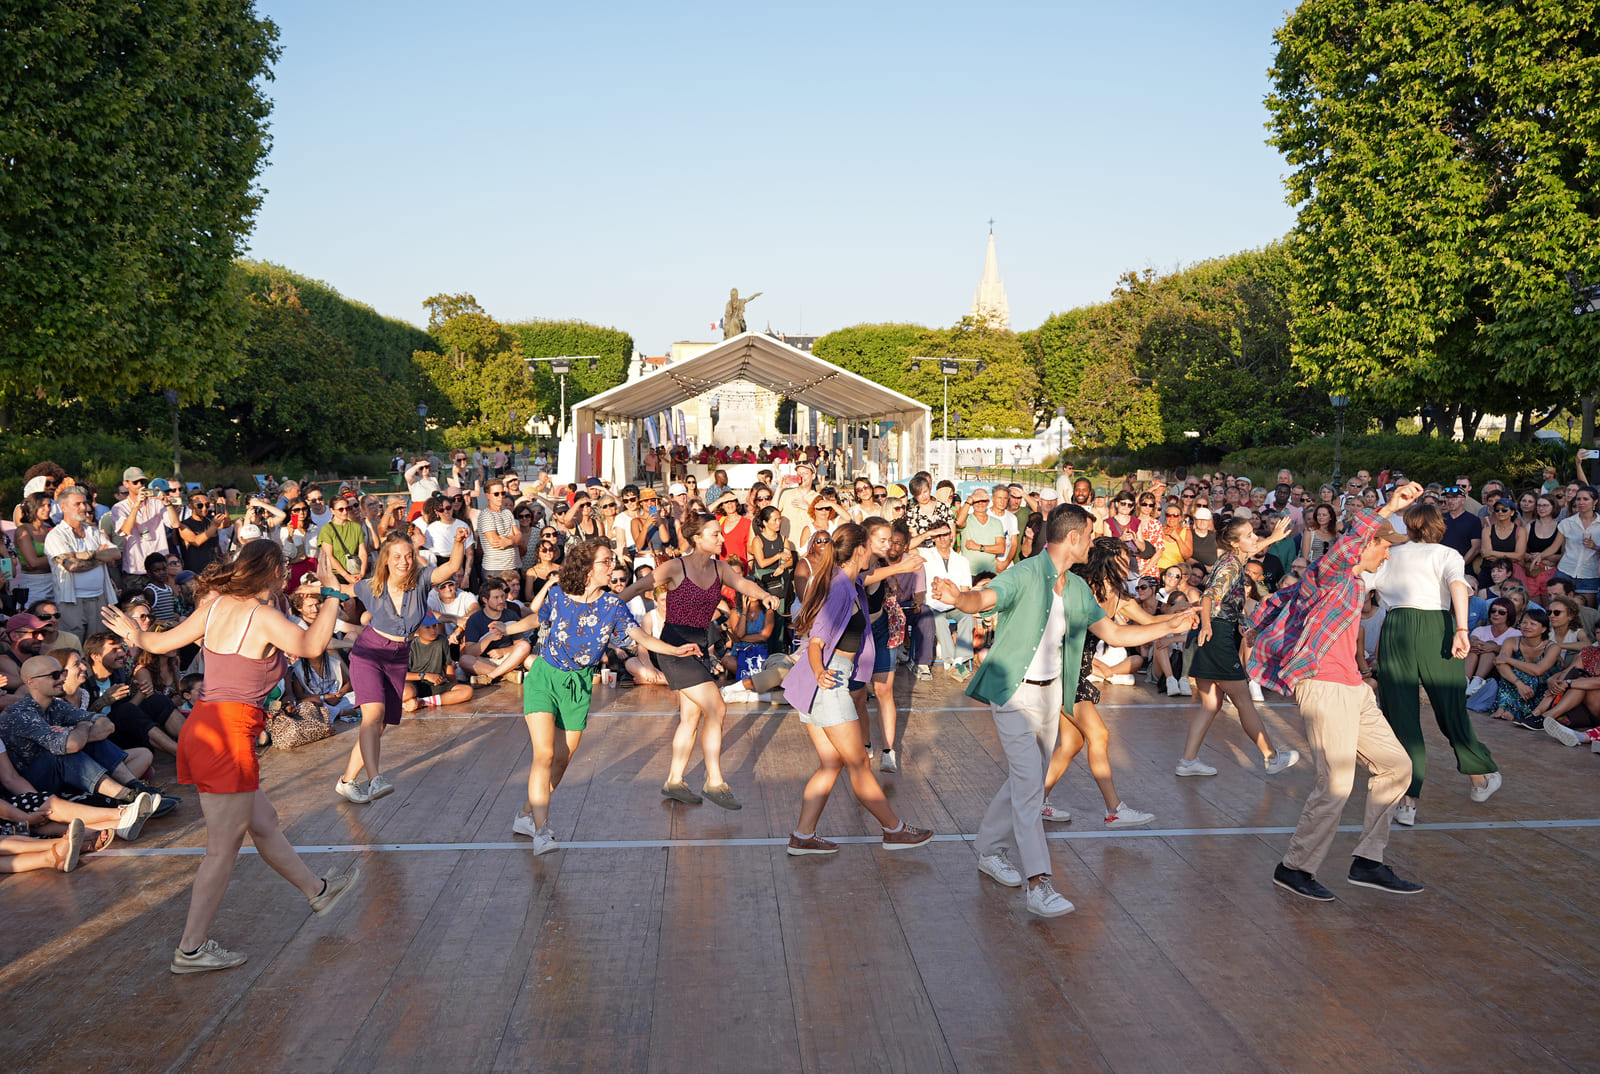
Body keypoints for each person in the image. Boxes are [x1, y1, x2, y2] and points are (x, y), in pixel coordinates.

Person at [99, 540, 360, 974]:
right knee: (221, 851)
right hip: (227, 736)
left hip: (205, 727)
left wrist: (134, 634)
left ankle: (318, 890)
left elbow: (158, 644)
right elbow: (312, 645)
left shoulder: (216, 606)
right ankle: (191, 949)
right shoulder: (261, 616)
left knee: (264, 821)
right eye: (285, 570)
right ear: (274, 572)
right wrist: (332, 594)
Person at [932, 504, 1195, 918]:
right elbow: (984, 597)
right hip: (1014, 695)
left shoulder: (1075, 588)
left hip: (1051, 696)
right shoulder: (1024, 574)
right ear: (1073, 538)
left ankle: (989, 849)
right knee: (1029, 789)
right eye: (1089, 535)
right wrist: (959, 598)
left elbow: (1114, 633)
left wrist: (1168, 626)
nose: (1093, 542)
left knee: (1025, 781)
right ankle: (1039, 883)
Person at [1247, 481, 1422, 901]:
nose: (1387, 554)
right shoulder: (1331, 575)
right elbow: (1344, 550)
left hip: (1353, 688)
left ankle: (1368, 861)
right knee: (1336, 784)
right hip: (1324, 686)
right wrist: (1389, 506)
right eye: (1384, 546)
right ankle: (1295, 867)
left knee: (1397, 766)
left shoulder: (1356, 585)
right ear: (1367, 543)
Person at [500, 539, 701, 853]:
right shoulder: (558, 594)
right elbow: (537, 620)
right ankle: (541, 831)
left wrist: (675, 650)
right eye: (605, 561)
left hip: (578, 685)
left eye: (612, 561)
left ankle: (526, 815)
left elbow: (641, 636)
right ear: (587, 567)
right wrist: (507, 630)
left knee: (561, 762)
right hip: (544, 677)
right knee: (544, 755)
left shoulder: (612, 606)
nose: (612, 566)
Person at [780, 523, 934, 855]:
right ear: (860, 550)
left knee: (831, 764)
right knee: (860, 764)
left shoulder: (846, 579)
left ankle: (803, 836)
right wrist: (821, 672)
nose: (876, 552)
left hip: (817, 686)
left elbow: (869, 577)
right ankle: (894, 830)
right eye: (871, 547)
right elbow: (817, 640)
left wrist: (902, 567)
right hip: (829, 682)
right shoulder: (839, 588)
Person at [617, 515, 781, 810]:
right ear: (697, 538)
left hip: (700, 648)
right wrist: (609, 609)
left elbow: (743, 584)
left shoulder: (720, 568)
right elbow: (636, 588)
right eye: (715, 534)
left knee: (690, 718)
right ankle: (714, 781)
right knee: (717, 708)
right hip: (674, 648)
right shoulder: (675, 567)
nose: (721, 539)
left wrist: (765, 595)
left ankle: (674, 780)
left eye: (720, 534)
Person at [1367, 502, 1502, 826]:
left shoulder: (1391, 553)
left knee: (1400, 715)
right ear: (1439, 525)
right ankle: (1479, 776)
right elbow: (1458, 585)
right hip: (1436, 627)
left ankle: (1408, 802)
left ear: (1409, 525)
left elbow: (1362, 585)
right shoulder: (1448, 554)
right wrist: (1462, 629)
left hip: (1397, 627)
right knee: (1450, 707)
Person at [1040, 538, 1165, 829]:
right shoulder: (1079, 588)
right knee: (1100, 734)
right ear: (1107, 560)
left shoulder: (1118, 597)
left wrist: (1185, 617)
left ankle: (1034, 802)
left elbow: (1148, 621)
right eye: (1123, 558)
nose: (1129, 564)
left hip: (1076, 673)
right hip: (1061, 672)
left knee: (1072, 743)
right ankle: (1114, 810)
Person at [337, 527, 468, 804]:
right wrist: (317, 586)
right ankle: (375, 779)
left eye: (408, 555)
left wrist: (458, 541)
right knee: (373, 716)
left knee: (379, 723)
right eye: (397, 556)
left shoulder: (421, 580)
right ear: (386, 558)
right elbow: (343, 589)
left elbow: (452, 567)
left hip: (397, 657)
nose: (404, 561)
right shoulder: (371, 585)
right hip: (369, 653)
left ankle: (347, 781)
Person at [1177, 514, 1301, 777]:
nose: (1254, 538)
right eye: (1249, 535)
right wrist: (1207, 626)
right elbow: (1209, 597)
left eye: (1253, 533)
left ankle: (1187, 762)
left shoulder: (1235, 558)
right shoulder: (1231, 565)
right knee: (1243, 699)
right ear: (1235, 543)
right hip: (1215, 635)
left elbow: (1252, 550)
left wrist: (1273, 537)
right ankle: (1272, 757)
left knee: (1211, 703)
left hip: (1212, 633)